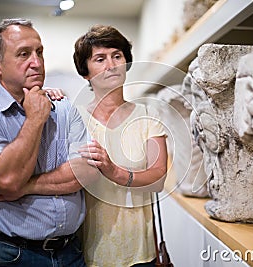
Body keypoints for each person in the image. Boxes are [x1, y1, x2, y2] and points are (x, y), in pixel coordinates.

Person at [0, 18, 97, 267]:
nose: (37, 63)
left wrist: (24, 187)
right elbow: (8, 179)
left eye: (39, 52)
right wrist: (35, 118)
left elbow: (85, 173)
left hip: (69, 253)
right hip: (9, 255)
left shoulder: (64, 109)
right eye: (24, 54)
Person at [72, 25, 168, 267]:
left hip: (140, 251)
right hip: (88, 250)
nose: (111, 65)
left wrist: (114, 171)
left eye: (117, 56)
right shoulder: (74, 119)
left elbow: (158, 177)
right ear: (85, 72)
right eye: (100, 59)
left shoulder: (148, 115)